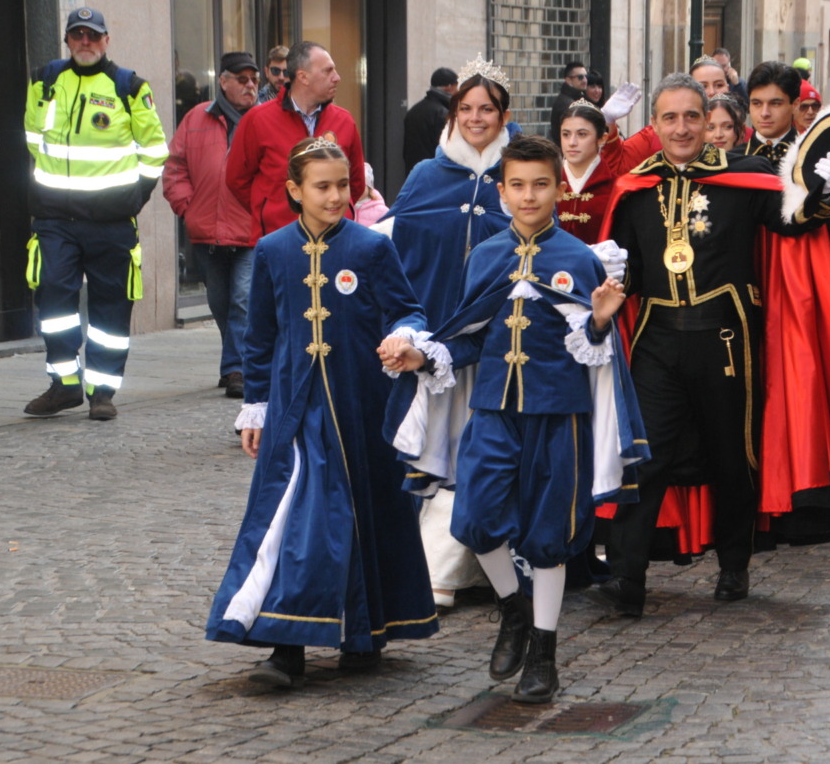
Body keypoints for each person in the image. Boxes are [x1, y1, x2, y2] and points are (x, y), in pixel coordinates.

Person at [386, 134, 646, 704]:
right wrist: (423, 354)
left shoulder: (578, 258)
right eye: (518, 186)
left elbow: (594, 349)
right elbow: (468, 334)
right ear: (501, 191)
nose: (529, 197)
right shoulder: (484, 256)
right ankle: (514, 610)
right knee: (474, 521)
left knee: (548, 536)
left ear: (558, 187)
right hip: (493, 411)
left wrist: (601, 321)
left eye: (541, 185)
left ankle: (545, 653)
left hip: (560, 417)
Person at [587, 73, 830, 615]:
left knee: (734, 455)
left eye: (691, 116)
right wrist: (614, 274)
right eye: (669, 118)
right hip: (657, 337)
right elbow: (630, 270)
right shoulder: (637, 186)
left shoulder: (745, 176)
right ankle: (625, 576)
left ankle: (734, 563)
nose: (681, 128)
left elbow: (797, 221)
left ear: (708, 122)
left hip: (727, 337)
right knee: (646, 457)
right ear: (654, 124)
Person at [207, 136, 441, 688]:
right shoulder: (272, 251)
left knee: (361, 514)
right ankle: (285, 647)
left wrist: (402, 335)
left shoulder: (370, 248)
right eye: (322, 187)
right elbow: (259, 337)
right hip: (295, 411)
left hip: (360, 407)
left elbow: (407, 308)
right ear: (294, 190)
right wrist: (256, 408)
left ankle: (363, 633)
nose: (335, 196)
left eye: (343, 186)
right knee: (297, 516)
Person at [378, 57, 521, 608]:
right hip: (438, 336)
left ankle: (470, 565)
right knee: (438, 447)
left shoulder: (520, 171)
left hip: (499, 341)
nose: (476, 118)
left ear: (504, 113)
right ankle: (440, 565)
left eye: (487, 109)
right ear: (453, 112)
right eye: (467, 109)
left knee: (484, 451)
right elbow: (399, 249)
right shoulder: (426, 175)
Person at [22, 7, 169, 421]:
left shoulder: (129, 87)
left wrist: (130, 200)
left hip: (110, 222)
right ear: (68, 41)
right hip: (55, 218)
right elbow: (34, 140)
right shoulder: (45, 81)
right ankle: (64, 383)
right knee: (52, 294)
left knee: (110, 309)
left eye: (93, 35)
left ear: (106, 40)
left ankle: (101, 391)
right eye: (77, 35)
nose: (85, 42)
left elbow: (155, 151)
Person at [163, 51, 260, 400]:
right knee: (219, 303)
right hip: (207, 231)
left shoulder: (264, 120)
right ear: (223, 81)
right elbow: (175, 166)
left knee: (242, 300)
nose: (250, 85)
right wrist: (186, 207)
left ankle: (237, 369)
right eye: (241, 78)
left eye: (254, 79)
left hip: (252, 231)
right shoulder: (196, 118)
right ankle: (233, 358)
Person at [227, 41, 364, 242]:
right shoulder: (258, 119)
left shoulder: (344, 121)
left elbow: (356, 182)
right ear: (303, 77)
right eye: (328, 71)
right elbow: (236, 179)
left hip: (335, 239)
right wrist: (270, 209)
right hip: (279, 240)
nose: (337, 78)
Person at [556, 100, 626, 242]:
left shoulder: (617, 190)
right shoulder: (548, 183)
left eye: (582, 134)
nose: (572, 142)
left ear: (602, 138)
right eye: (566, 134)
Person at [403, 67, 458, 174]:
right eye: (457, 87)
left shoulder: (414, 110)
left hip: (414, 172)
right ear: (449, 87)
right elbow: (448, 150)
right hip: (436, 174)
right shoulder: (443, 113)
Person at [744, 61, 801, 160]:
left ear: (795, 105)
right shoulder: (734, 161)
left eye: (775, 103)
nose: (764, 113)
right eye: (757, 103)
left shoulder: (813, 158)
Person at [548, 61, 588, 139]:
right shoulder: (567, 104)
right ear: (568, 80)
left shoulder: (577, 99)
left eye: (586, 76)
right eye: (580, 77)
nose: (585, 80)